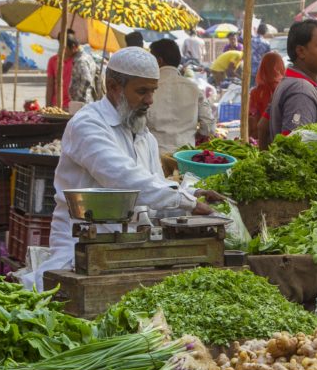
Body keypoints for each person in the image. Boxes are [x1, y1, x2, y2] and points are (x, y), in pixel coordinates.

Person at [20, 47, 221, 292]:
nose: (150, 100)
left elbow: (152, 191)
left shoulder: (144, 135)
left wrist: (188, 197)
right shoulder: (88, 124)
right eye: (142, 91)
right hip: (79, 252)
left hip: (128, 251)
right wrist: (183, 200)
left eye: (153, 91)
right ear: (114, 87)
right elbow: (123, 177)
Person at [263, 19, 317, 148]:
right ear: (301, 51)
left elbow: (262, 126)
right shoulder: (301, 91)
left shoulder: (289, 82)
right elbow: (292, 149)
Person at [147, 39, 215, 154]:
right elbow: (209, 127)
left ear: (159, 61)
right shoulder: (194, 88)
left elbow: (137, 125)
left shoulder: (147, 89)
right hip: (185, 157)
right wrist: (194, 136)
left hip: (154, 155)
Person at [249, 51, 285, 141]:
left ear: (262, 67)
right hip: (281, 139)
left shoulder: (255, 92)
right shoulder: (285, 89)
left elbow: (251, 119)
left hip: (259, 140)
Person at [46, 29, 76, 109]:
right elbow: (50, 85)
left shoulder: (78, 61)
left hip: (72, 106)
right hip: (56, 106)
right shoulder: (53, 60)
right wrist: (48, 107)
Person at [68, 35, 97, 106]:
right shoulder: (87, 56)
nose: (64, 52)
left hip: (83, 103)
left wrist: (78, 97)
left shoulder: (81, 61)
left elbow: (86, 80)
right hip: (86, 101)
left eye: (65, 49)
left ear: (73, 47)